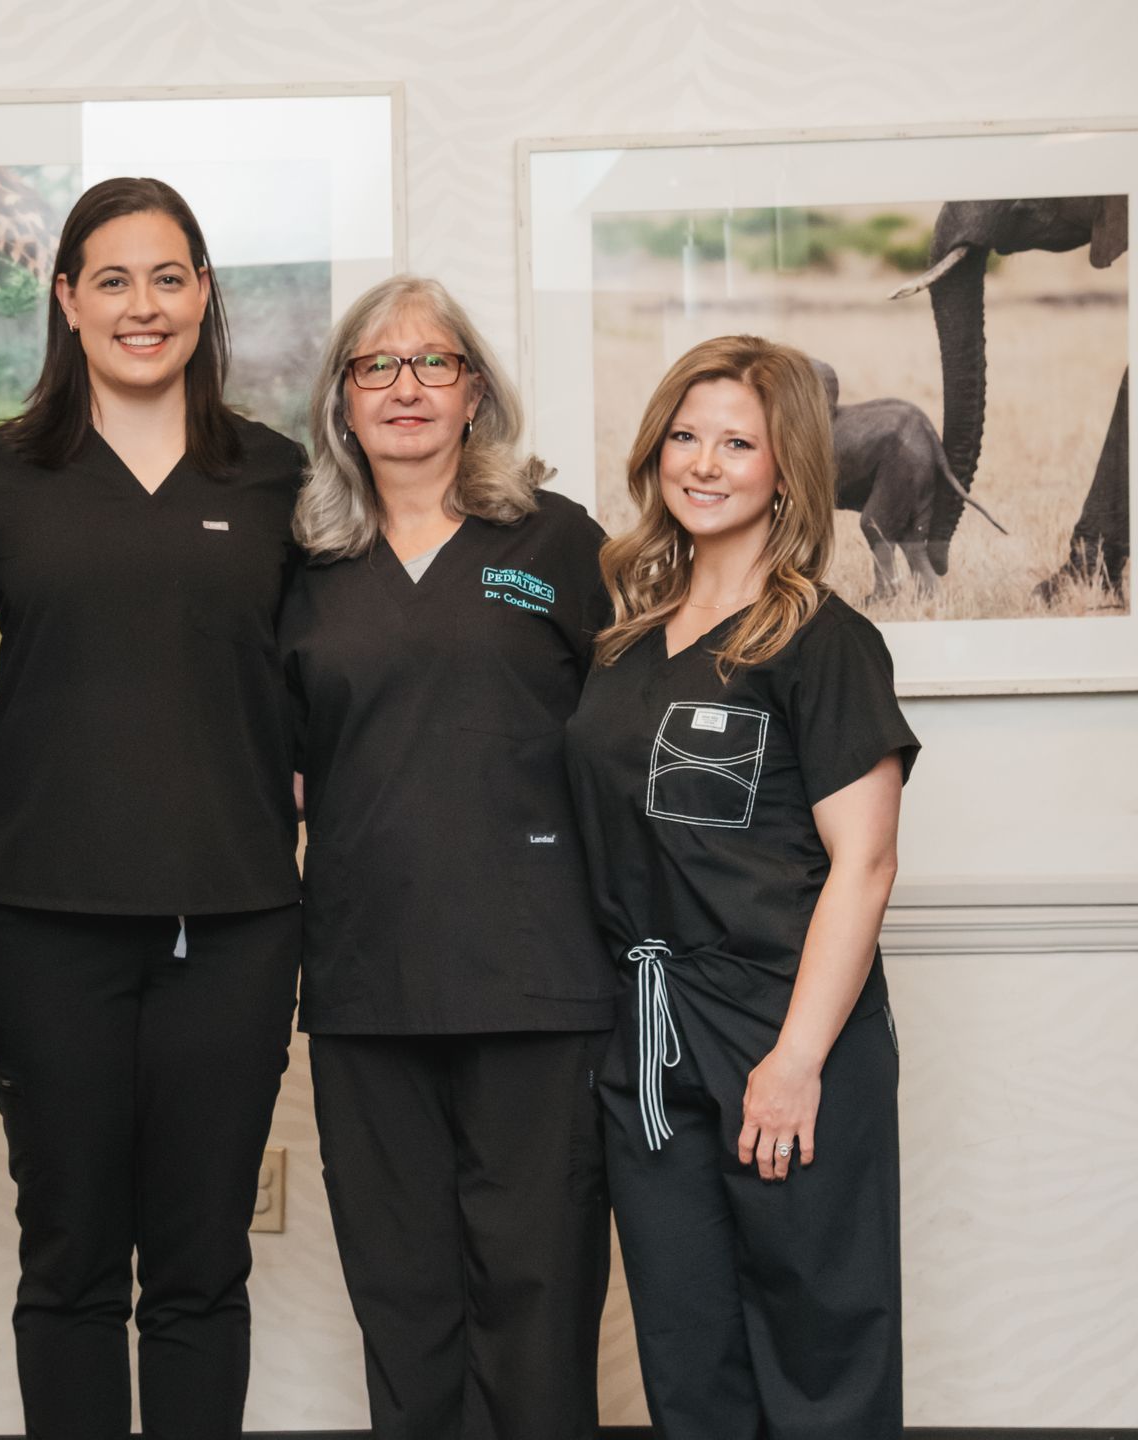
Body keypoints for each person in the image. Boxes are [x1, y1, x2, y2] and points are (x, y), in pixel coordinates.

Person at [0, 176, 305, 1440]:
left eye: (171, 277)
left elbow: (337, 671)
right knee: (71, 1263)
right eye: (115, 280)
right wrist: (4, 734)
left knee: (200, 1266)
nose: (145, 306)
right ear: (67, 299)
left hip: (238, 926)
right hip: (41, 924)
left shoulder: (279, 477)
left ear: (205, 294)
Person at [277, 276, 615, 1439]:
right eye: (377, 366)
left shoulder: (557, 540)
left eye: (434, 362)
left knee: (538, 1287)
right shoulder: (303, 567)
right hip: (369, 978)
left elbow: (628, 734)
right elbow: (276, 758)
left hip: (538, 974)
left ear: (475, 389)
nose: (407, 386)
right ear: (342, 402)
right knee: (404, 1292)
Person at [563, 335, 917, 1439]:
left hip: (784, 1022)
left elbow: (865, 862)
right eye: (685, 437)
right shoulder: (621, 648)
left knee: (818, 1342)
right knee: (685, 1340)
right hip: (653, 1035)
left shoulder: (824, 641)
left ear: (788, 470)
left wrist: (797, 1063)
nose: (703, 465)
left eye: (737, 443)